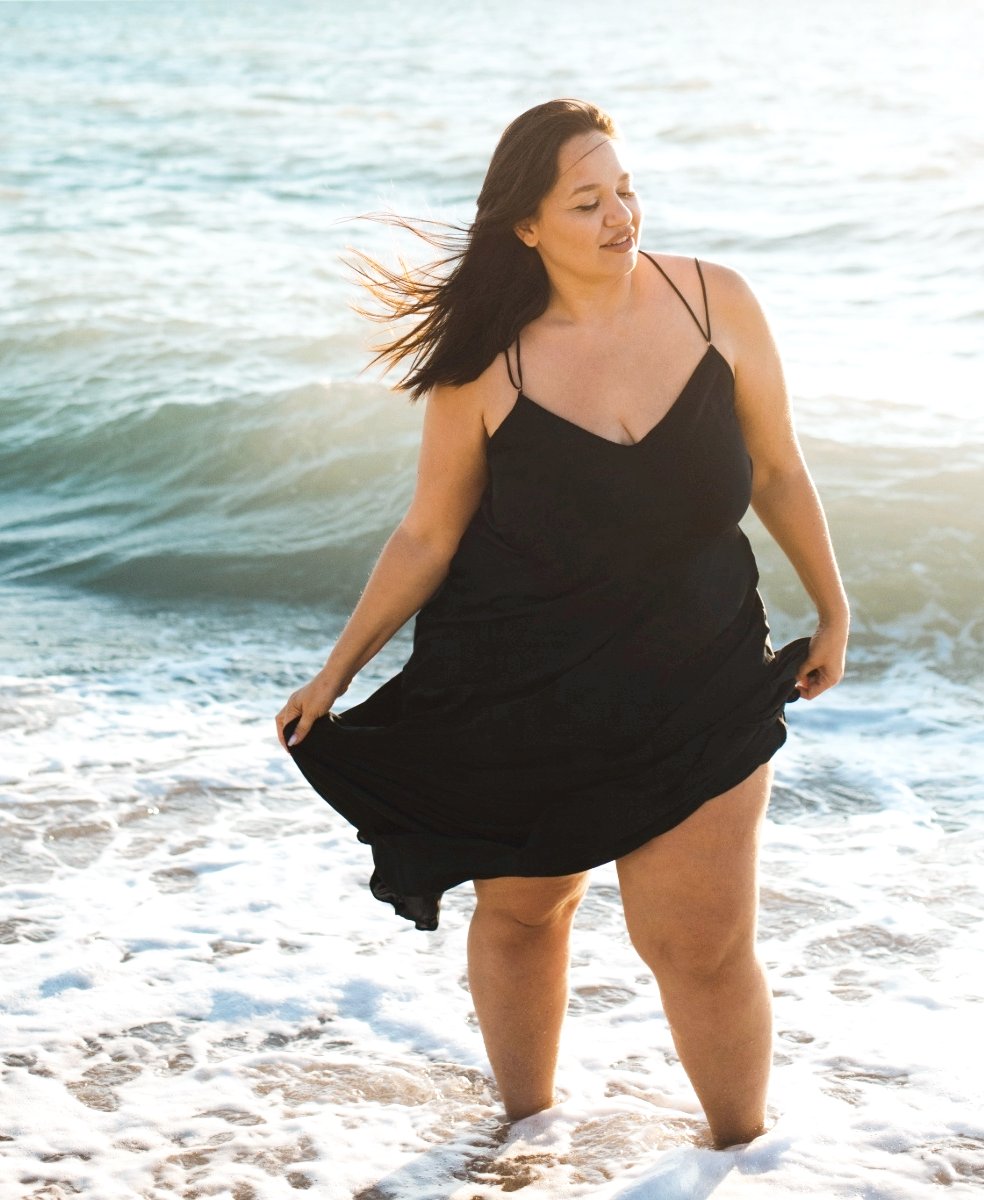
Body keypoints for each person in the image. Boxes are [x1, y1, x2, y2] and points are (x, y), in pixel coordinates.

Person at [275, 99, 848, 1148]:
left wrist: (834, 605)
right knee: (529, 911)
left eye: (625, 189)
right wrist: (335, 675)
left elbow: (776, 466)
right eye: (587, 202)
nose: (620, 215)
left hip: (702, 672)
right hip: (525, 687)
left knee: (699, 943)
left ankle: (742, 1162)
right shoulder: (484, 368)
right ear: (527, 228)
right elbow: (427, 539)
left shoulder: (716, 301)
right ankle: (525, 1139)